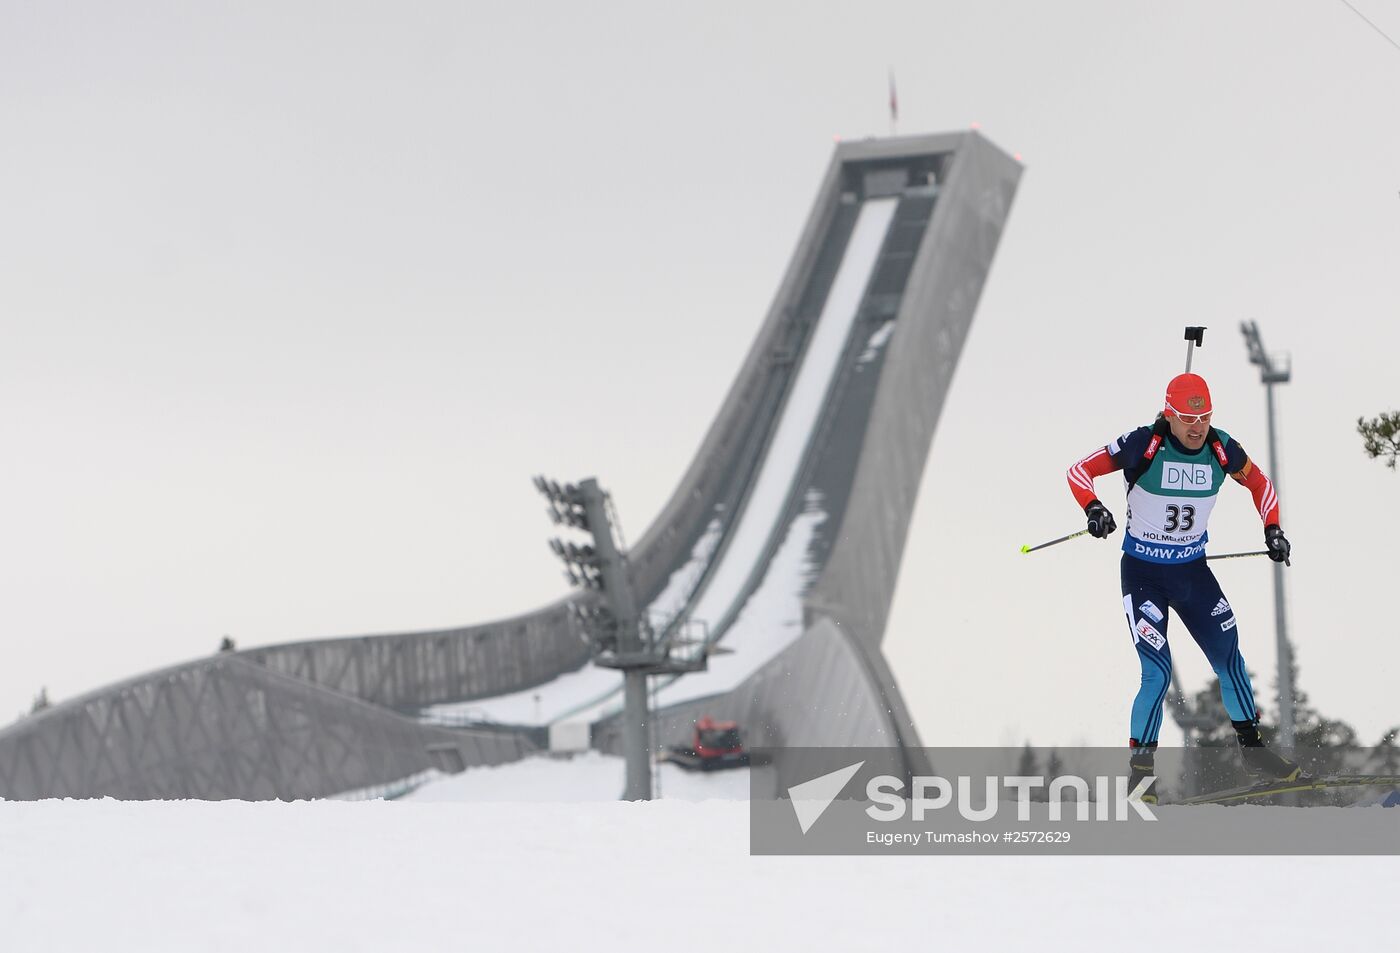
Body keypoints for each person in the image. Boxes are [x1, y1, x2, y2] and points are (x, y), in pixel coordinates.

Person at [1066, 373, 1298, 790]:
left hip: (1193, 574)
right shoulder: (1143, 443)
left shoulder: (1221, 448)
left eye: (1205, 417)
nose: (1198, 427)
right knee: (1156, 673)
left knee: (1231, 661)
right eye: (1189, 419)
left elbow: (1260, 484)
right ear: (1170, 414)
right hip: (1144, 576)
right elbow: (1079, 471)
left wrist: (1273, 530)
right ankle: (1141, 776)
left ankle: (1254, 753)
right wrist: (1094, 508)